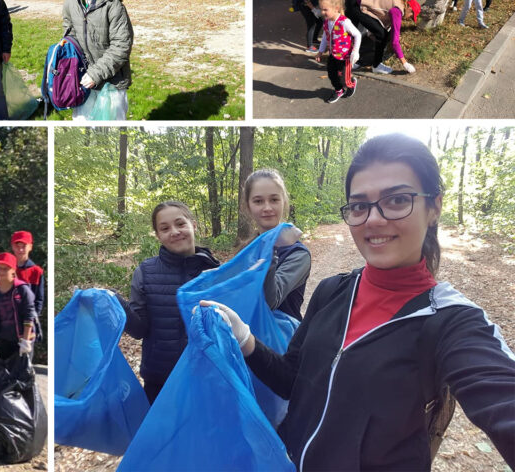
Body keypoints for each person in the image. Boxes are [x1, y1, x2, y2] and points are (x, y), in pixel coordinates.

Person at [203, 133, 515, 470]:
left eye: (397, 200)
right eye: (359, 205)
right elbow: (293, 381)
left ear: (434, 206)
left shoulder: (452, 321)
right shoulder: (331, 291)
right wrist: (245, 338)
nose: (374, 219)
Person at [116, 201, 220, 404]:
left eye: (180, 224)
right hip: (160, 381)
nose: (174, 232)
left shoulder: (216, 272)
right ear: (158, 235)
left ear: (193, 225)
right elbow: (139, 330)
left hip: (206, 380)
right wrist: (115, 300)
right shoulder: (145, 272)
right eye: (165, 228)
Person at [63, 0, 134, 120]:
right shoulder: (70, 4)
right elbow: (69, 36)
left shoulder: (114, 6)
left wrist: (96, 74)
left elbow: (122, 46)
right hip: (83, 77)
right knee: (82, 127)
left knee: (112, 131)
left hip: (112, 80)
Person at [243, 169, 311, 321]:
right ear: (248, 206)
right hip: (246, 338)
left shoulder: (299, 254)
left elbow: (270, 302)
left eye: (274, 200)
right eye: (258, 201)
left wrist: (269, 251)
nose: (267, 208)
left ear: (284, 202)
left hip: (281, 340)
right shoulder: (247, 249)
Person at [344, 0, 418, 74]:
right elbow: (395, 42)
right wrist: (405, 63)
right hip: (356, 3)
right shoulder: (397, 11)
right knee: (381, 34)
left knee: (376, 33)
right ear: (409, 8)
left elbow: (377, 17)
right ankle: (375, 65)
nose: (409, 18)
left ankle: (354, 61)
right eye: (411, 15)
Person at [315, 0, 362, 103]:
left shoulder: (344, 22)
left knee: (345, 80)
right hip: (333, 55)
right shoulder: (326, 22)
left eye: (325, 10)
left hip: (345, 57)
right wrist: (320, 51)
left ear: (336, 8)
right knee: (332, 75)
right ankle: (339, 90)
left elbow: (357, 35)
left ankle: (351, 83)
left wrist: (355, 51)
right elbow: (325, 38)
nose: (322, 12)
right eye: (321, 9)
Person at [0, 253, 36, 360]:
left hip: (22, 339)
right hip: (3, 339)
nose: (2, 271)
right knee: (4, 374)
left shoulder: (22, 289)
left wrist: (26, 340)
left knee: (22, 374)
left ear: (13, 270)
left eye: (6, 268)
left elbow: (29, 314)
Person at [11, 231, 44, 320]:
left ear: (30, 247)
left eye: (24, 246)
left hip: (27, 319)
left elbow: (38, 300)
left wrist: (32, 320)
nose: (20, 250)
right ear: (12, 247)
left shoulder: (36, 271)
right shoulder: (5, 268)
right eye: (17, 246)